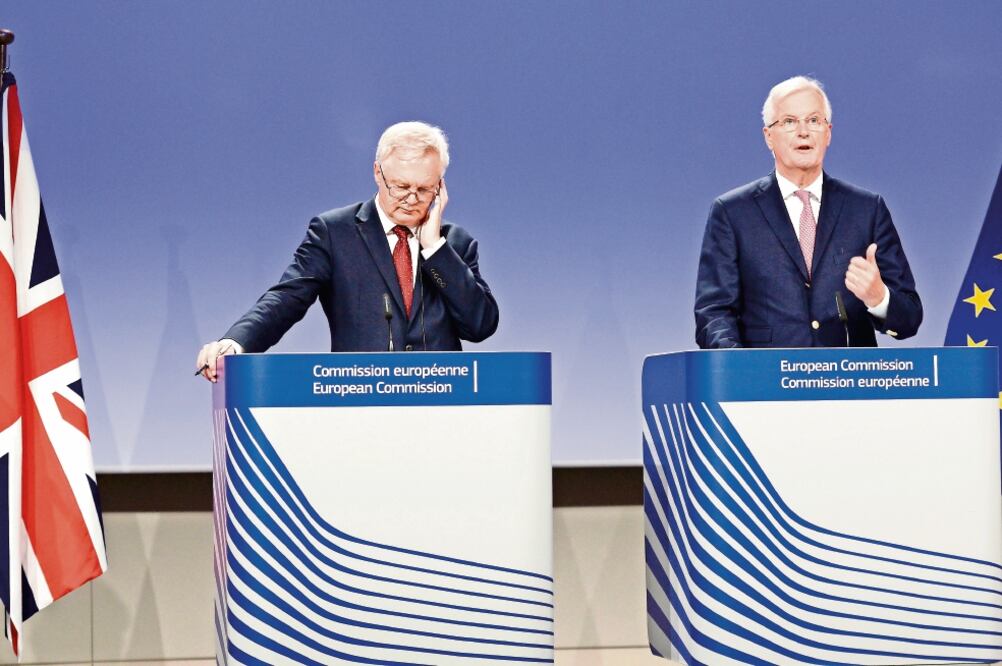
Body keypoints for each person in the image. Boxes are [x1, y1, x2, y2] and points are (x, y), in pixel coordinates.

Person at [196, 121, 498, 381]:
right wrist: (236, 343)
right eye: (400, 186)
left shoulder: (454, 244)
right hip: (358, 399)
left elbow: (480, 326)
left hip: (441, 402)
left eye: (423, 189)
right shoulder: (335, 232)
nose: (411, 199)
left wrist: (434, 248)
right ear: (377, 173)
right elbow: (286, 298)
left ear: (440, 187)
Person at [694, 76, 922, 348]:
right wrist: (741, 367)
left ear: (828, 133)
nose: (803, 131)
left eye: (814, 120)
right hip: (766, 374)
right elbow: (714, 314)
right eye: (789, 122)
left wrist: (879, 297)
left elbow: (910, 318)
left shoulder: (867, 209)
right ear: (769, 136)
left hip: (847, 373)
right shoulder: (733, 213)